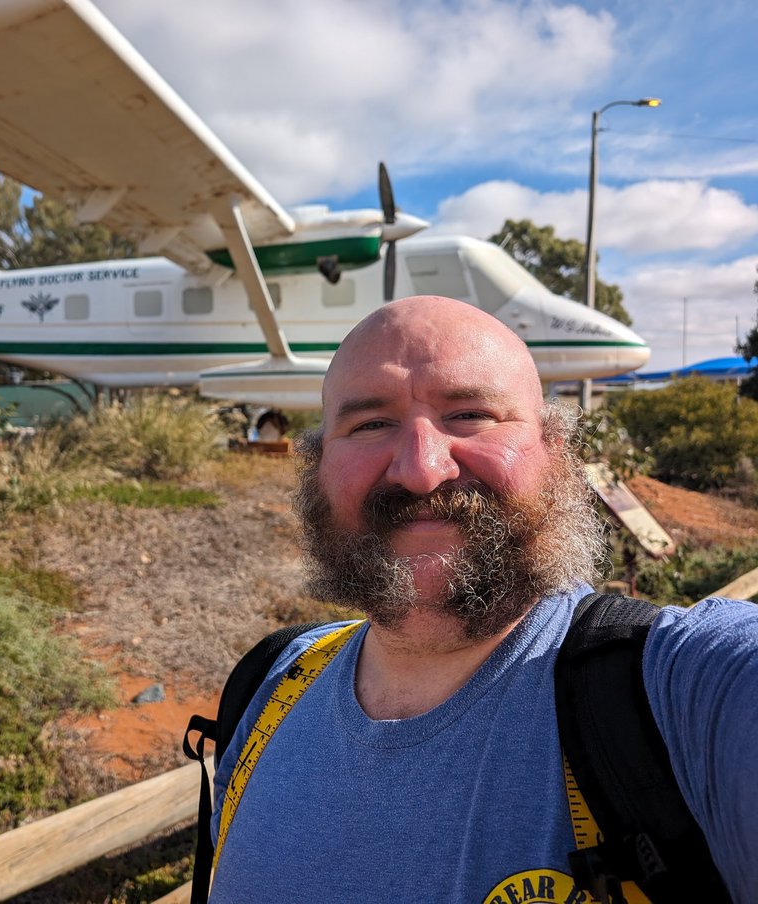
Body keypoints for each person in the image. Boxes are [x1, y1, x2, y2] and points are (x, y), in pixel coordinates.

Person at [208, 296, 758, 903]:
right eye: (369, 424)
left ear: (557, 455)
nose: (421, 470)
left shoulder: (683, 690)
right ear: (317, 471)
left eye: (470, 414)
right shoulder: (271, 688)